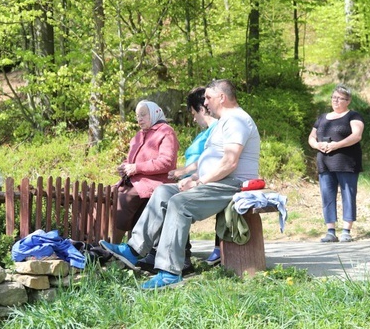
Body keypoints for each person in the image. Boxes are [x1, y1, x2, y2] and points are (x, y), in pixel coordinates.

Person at [101, 79, 260, 289]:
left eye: (209, 98)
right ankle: (133, 250)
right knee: (163, 192)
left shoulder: (237, 120)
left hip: (231, 183)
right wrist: (193, 177)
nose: (206, 102)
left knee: (179, 204)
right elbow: (212, 158)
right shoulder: (224, 122)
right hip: (215, 181)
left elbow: (230, 162)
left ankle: (169, 272)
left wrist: (199, 181)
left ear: (222, 97)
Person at [113, 100, 179, 243]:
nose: (139, 119)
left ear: (155, 113)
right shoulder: (138, 135)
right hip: (134, 181)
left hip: (153, 182)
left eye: (143, 115)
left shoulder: (166, 132)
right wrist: (125, 166)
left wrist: (136, 168)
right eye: (137, 116)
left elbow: (166, 162)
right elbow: (131, 160)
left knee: (123, 202)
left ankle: (111, 247)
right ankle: (99, 242)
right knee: (108, 197)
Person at [168, 87, 220, 266]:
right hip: (193, 179)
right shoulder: (205, 132)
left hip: (205, 183)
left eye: (192, 112)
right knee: (164, 195)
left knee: (175, 201)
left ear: (202, 108)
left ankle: (180, 256)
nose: (193, 117)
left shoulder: (216, 130)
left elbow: (209, 160)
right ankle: (177, 253)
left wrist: (186, 174)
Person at [309, 84, 364, 243]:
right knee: (327, 196)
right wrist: (317, 145)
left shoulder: (353, 116)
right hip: (325, 163)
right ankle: (330, 230)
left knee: (348, 194)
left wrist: (336, 145)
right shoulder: (322, 117)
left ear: (348, 101)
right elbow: (312, 137)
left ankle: (347, 230)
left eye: (340, 98)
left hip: (346, 162)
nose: (336, 101)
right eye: (334, 98)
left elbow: (356, 136)